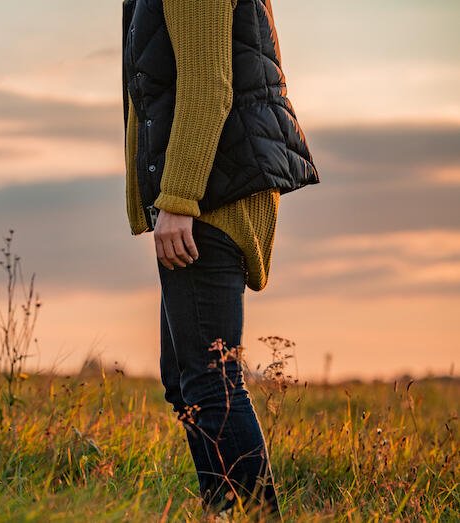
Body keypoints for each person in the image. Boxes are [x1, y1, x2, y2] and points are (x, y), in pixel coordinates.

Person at [122, 0, 319, 515]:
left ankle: (257, 515)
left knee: (210, 379)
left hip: (211, 196)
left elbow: (209, 87)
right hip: (207, 192)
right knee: (187, 379)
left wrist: (179, 198)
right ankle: (224, 511)